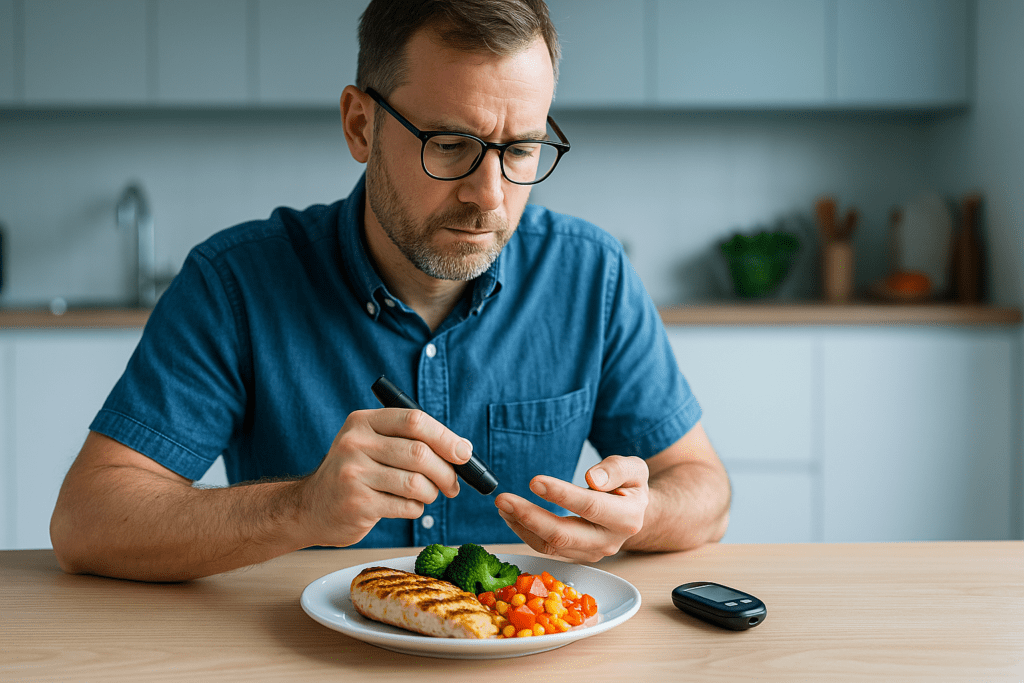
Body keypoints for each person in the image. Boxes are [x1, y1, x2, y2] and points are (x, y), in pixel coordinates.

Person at [50, 0, 730, 582]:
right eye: (451, 144)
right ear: (360, 125)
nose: (488, 198)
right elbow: (88, 519)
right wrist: (300, 508)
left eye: (521, 149)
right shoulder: (236, 283)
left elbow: (705, 490)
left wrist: (640, 515)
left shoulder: (592, 276)